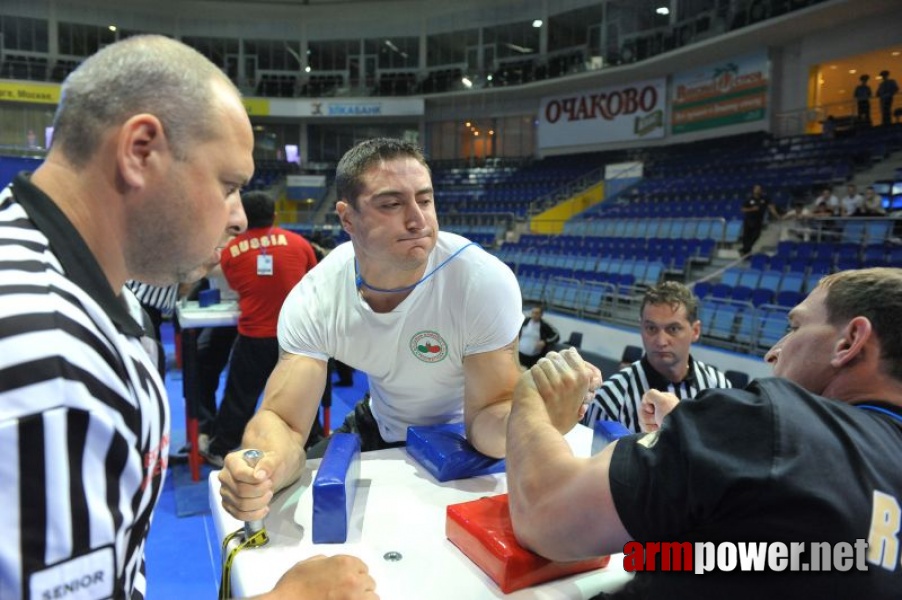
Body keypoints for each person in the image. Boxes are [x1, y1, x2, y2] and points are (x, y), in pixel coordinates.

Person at [0, 35, 377, 600]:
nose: (234, 218)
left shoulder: (80, 274)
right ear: (140, 151)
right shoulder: (52, 363)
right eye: (227, 187)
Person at [506, 267, 902, 599]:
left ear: (850, 341)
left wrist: (526, 396)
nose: (773, 351)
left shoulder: (771, 423)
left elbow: (544, 513)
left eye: (794, 326)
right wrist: (702, 445)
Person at [217, 138, 525, 523]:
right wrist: (264, 468)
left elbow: (488, 421)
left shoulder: (481, 281)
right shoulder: (317, 296)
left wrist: (536, 418)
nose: (418, 220)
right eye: (392, 204)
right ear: (347, 219)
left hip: (468, 436)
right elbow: (284, 420)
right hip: (380, 423)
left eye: (425, 200)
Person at [203, 191, 320, 466]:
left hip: (255, 336)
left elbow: (235, 285)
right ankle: (313, 446)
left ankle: (221, 448)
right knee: (303, 396)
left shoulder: (232, 250)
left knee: (239, 397)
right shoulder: (300, 243)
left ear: (244, 216)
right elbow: (312, 281)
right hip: (295, 338)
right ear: (275, 215)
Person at [580, 281, 731, 433]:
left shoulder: (719, 386)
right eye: (651, 328)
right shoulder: (610, 399)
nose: (661, 341)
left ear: (696, 331)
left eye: (673, 329)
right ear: (641, 327)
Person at [739, 184, 780, 255]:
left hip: (758, 221)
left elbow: (771, 207)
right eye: (756, 189)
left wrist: (777, 216)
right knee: (746, 236)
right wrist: (752, 209)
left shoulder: (764, 199)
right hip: (749, 220)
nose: (757, 190)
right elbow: (743, 209)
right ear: (753, 190)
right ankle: (746, 251)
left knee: (756, 236)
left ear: (761, 190)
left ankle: (745, 249)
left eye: (759, 189)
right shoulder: (749, 199)